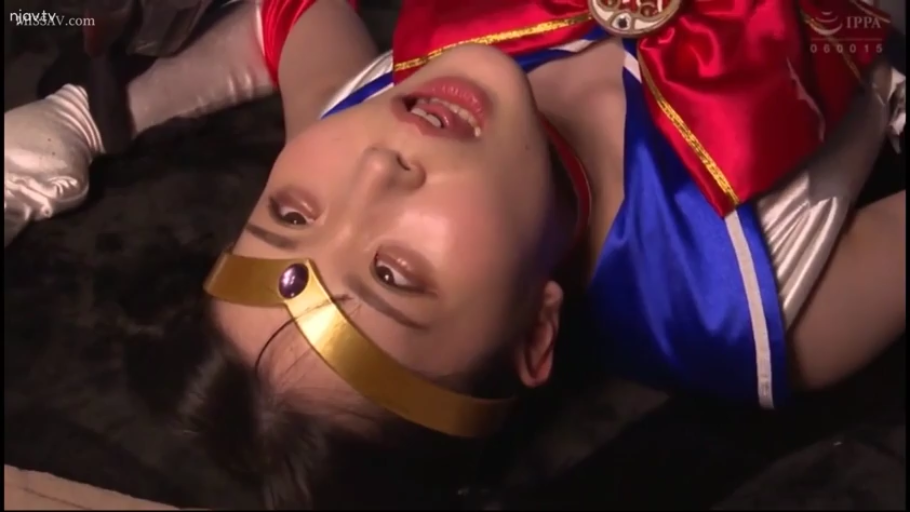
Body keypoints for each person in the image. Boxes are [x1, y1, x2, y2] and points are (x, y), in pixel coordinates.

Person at [4, 0, 906, 508]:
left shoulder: (366, 118)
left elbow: (289, 17)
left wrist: (83, 120)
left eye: (291, 212)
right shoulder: (752, 305)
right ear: (536, 334)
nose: (374, 172)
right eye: (392, 275)